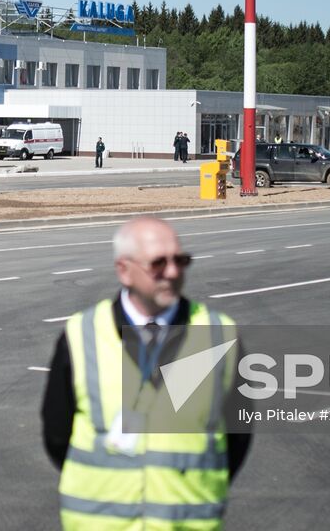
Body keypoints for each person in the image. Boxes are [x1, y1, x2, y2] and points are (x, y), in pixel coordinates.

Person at [41, 216, 251, 529]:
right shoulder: (81, 335)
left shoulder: (219, 335)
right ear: (124, 270)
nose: (173, 272)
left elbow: (238, 435)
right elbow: (57, 435)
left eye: (180, 261)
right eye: (158, 263)